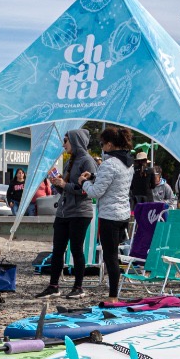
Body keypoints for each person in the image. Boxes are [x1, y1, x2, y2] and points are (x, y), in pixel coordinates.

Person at [39, 128, 97, 299]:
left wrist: (64, 185)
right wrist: (57, 183)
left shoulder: (87, 161)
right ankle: (53, 286)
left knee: (76, 249)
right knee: (57, 249)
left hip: (80, 212)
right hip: (64, 212)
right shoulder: (70, 161)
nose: (63, 145)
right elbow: (65, 189)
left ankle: (78, 287)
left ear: (75, 141)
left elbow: (86, 190)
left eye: (65, 141)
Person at [81, 125, 135, 302]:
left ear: (110, 145)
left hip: (110, 216)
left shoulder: (109, 164)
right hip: (123, 214)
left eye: (102, 144)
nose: (102, 147)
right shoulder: (128, 163)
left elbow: (95, 193)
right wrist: (93, 177)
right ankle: (114, 294)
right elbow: (114, 182)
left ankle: (113, 297)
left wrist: (83, 182)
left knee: (110, 257)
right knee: (114, 255)